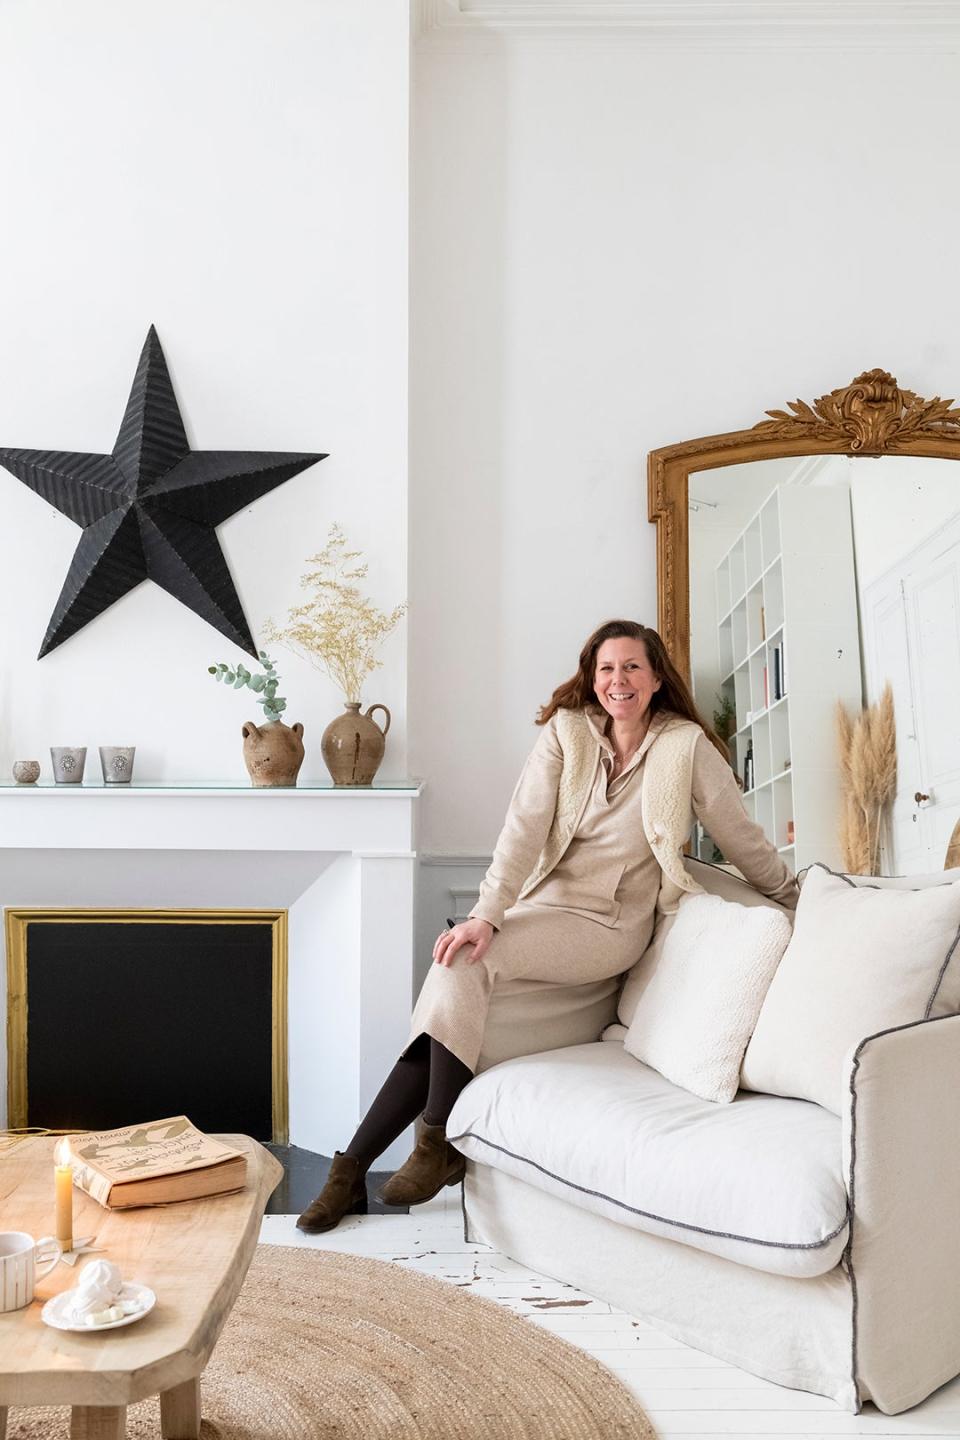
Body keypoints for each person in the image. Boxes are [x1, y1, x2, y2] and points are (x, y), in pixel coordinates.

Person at [296, 618, 798, 1234]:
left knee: (466, 964)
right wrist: (487, 914)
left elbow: (738, 834)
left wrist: (793, 895)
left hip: (607, 924)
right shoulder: (567, 734)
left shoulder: (684, 746)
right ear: (592, 676)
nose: (620, 681)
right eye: (608, 668)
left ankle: (433, 1140)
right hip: (540, 908)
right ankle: (350, 1173)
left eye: (633, 667)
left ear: (657, 676)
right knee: (450, 991)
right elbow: (523, 828)